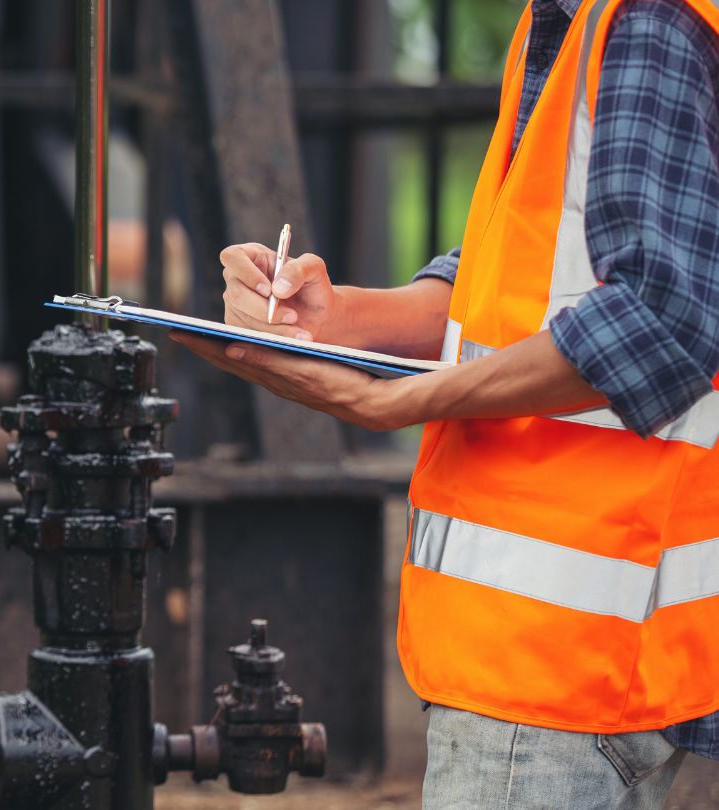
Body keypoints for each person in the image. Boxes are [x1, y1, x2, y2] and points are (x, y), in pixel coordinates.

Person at [172, 0, 719, 806]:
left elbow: (661, 315)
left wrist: (416, 401)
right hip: (557, 659)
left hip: (553, 665)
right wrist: (340, 317)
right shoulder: (575, 25)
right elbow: (521, 278)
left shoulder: (644, 22)